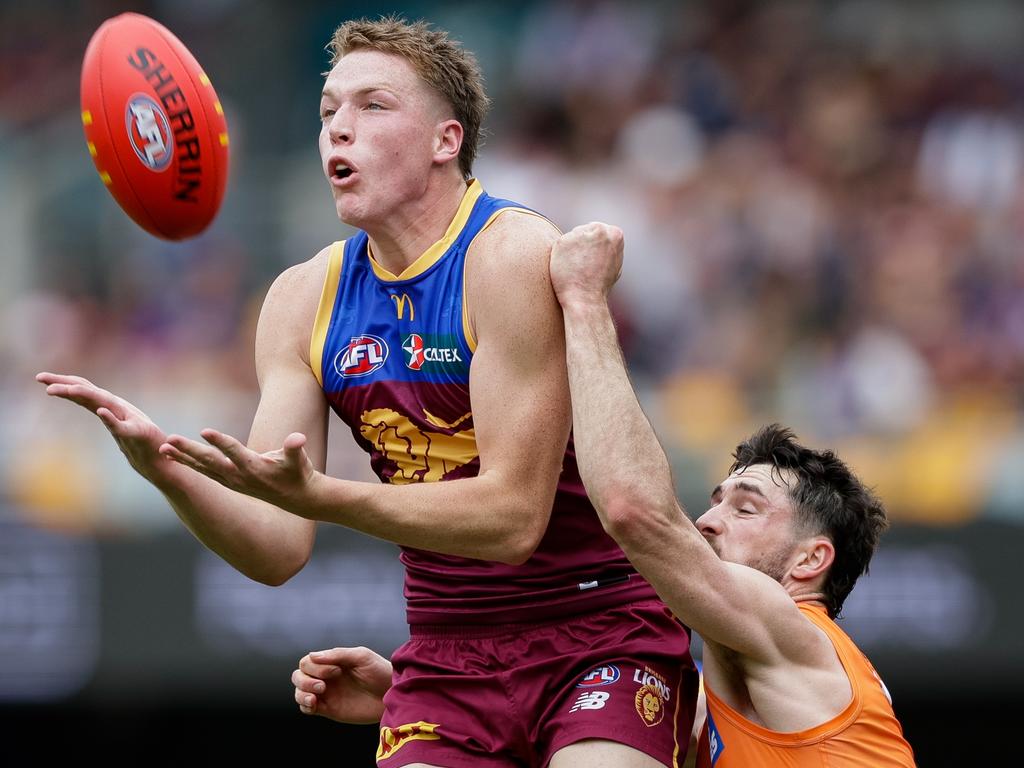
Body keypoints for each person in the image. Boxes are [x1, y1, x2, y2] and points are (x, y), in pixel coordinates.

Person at [38, 17, 696, 768]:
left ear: (445, 141)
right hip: (446, 657)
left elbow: (513, 518)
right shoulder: (300, 299)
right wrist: (165, 470)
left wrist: (323, 496)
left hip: (598, 631)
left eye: (371, 107)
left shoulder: (511, 255)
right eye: (326, 112)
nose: (337, 131)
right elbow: (275, 545)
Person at [294, 222, 917, 767]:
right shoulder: (733, 695)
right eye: (718, 499)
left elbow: (634, 512)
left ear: (811, 560)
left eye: (747, 508)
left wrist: (586, 302)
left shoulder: (794, 627)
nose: (705, 521)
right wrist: (405, 695)